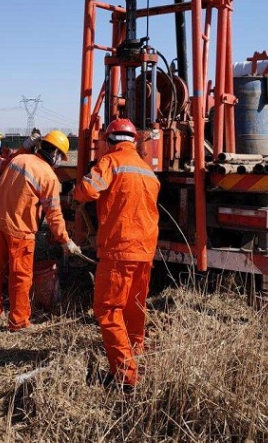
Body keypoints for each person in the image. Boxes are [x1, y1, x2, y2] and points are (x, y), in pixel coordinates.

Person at [73, 118, 160, 392]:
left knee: (108, 310)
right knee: (134, 309)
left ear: (109, 141)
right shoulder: (148, 171)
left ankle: (125, 377)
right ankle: (138, 356)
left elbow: (87, 190)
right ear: (134, 141)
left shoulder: (110, 162)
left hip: (119, 250)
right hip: (145, 251)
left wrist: (76, 192)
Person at [0, 130, 81, 330]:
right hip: (20, 231)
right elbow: (54, 215)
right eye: (59, 156)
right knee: (20, 276)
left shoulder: (19, 159)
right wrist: (66, 241)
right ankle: (19, 322)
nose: (58, 161)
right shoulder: (48, 176)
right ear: (53, 152)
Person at [0, 123, 40, 220]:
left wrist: (28, 147)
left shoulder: (2, 151)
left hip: (3, 201)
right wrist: (26, 146)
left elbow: (16, 156)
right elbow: (10, 164)